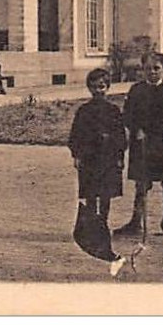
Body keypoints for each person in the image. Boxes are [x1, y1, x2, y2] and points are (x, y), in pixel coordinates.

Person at [115, 53, 163, 240]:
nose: (152, 72)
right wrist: (136, 129)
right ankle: (136, 221)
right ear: (143, 70)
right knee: (142, 184)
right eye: (148, 68)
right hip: (143, 143)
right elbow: (128, 115)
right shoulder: (137, 90)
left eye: (156, 68)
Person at [68, 67, 129, 276]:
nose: (98, 91)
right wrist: (76, 154)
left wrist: (120, 156)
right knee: (91, 194)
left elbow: (121, 136)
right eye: (94, 87)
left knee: (106, 194)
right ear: (89, 88)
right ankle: (92, 224)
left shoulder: (113, 111)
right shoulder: (84, 111)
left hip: (108, 159)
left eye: (101, 87)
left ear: (108, 87)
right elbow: (75, 135)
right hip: (90, 159)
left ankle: (103, 220)